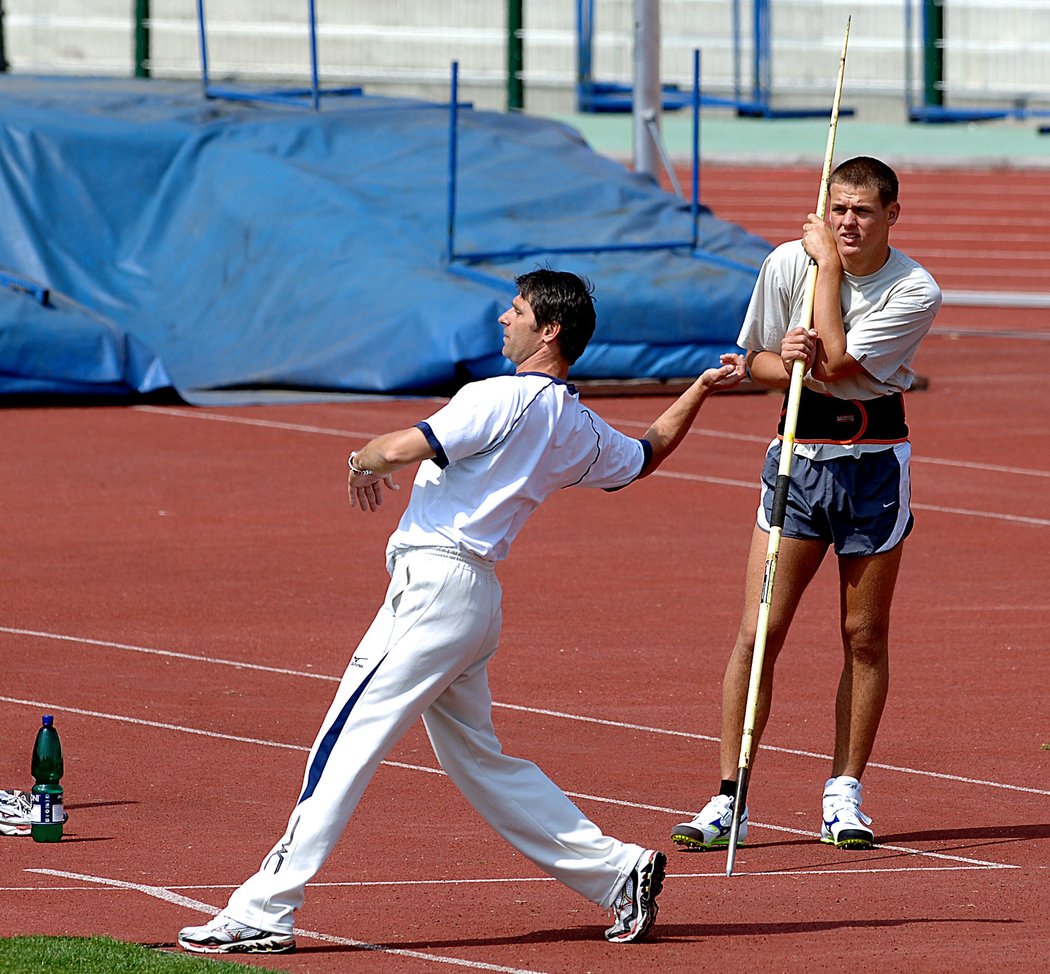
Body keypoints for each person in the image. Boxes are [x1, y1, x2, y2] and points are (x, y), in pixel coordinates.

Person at [178, 268, 746, 954]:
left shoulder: (497, 396)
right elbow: (646, 453)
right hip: (473, 599)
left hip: (435, 589)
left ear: (549, 330)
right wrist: (700, 389)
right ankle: (616, 871)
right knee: (480, 762)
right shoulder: (578, 424)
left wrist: (360, 460)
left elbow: (395, 448)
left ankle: (265, 908)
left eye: (515, 311)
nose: (503, 320)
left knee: (345, 741)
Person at [671, 157, 941, 854]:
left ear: (891, 217)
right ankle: (730, 795)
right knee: (761, 630)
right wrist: (779, 355)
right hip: (797, 461)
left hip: (874, 470)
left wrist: (824, 275)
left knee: (863, 634)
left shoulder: (913, 288)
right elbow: (756, 362)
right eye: (838, 209)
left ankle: (843, 792)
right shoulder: (785, 262)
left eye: (863, 212)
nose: (847, 223)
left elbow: (843, 363)